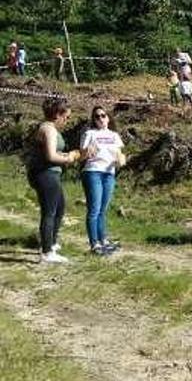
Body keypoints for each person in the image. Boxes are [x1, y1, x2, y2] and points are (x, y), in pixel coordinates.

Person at [25, 98, 85, 264]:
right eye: (66, 117)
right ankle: (46, 251)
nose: (67, 121)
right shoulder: (49, 129)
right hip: (45, 173)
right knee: (50, 212)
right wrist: (70, 158)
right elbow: (51, 155)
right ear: (57, 114)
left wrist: (69, 155)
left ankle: (50, 242)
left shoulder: (49, 128)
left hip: (49, 173)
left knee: (59, 208)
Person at [80, 106, 126, 255]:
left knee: (102, 210)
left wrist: (121, 160)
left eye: (103, 115)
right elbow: (82, 154)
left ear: (108, 117)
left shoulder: (114, 135)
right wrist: (87, 152)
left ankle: (103, 239)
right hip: (93, 171)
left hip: (109, 173)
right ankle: (94, 244)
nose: (100, 119)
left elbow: (120, 154)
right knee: (94, 209)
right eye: (96, 116)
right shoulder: (89, 133)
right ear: (93, 119)